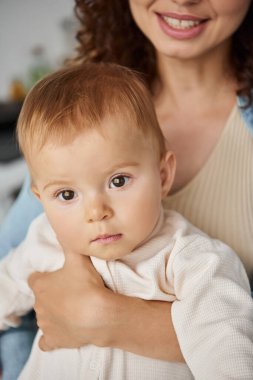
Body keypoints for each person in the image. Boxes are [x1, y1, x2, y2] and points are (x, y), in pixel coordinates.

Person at [0, 0, 253, 378]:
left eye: (118, 182)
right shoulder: (44, 239)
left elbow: (226, 349)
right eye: (67, 195)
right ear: (42, 198)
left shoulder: (190, 260)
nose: (96, 210)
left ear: (163, 174)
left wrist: (106, 318)